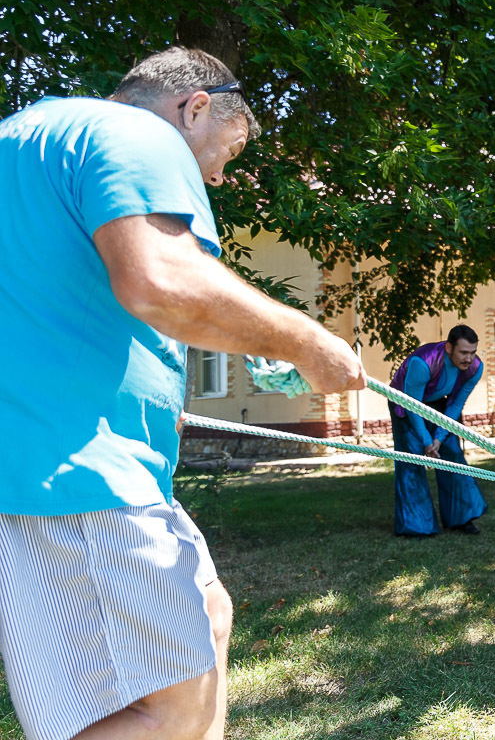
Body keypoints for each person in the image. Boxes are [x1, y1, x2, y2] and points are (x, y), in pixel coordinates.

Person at [0, 47, 365, 740]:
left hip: (33, 466)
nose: (221, 177)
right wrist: (307, 343)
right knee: (172, 712)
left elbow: (74, 299)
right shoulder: (135, 134)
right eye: (224, 151)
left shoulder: (21, 140)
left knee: (207, 611)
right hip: (82, 466)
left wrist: (248, 339)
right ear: (193, 107)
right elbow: (161, 283)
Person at [389, 325, 488, 536]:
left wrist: (439, 439)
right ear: (449, 347)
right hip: (406, 404)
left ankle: (461, 517)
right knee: (412, 457)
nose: (468, 358)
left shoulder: (475, 368)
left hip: (438, 403)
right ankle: (416, 526)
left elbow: (455, 406)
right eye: (463, 352)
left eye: (472, 352)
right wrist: (426, 441)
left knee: (452, 454)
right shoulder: (423, 363)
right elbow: (413, 407)